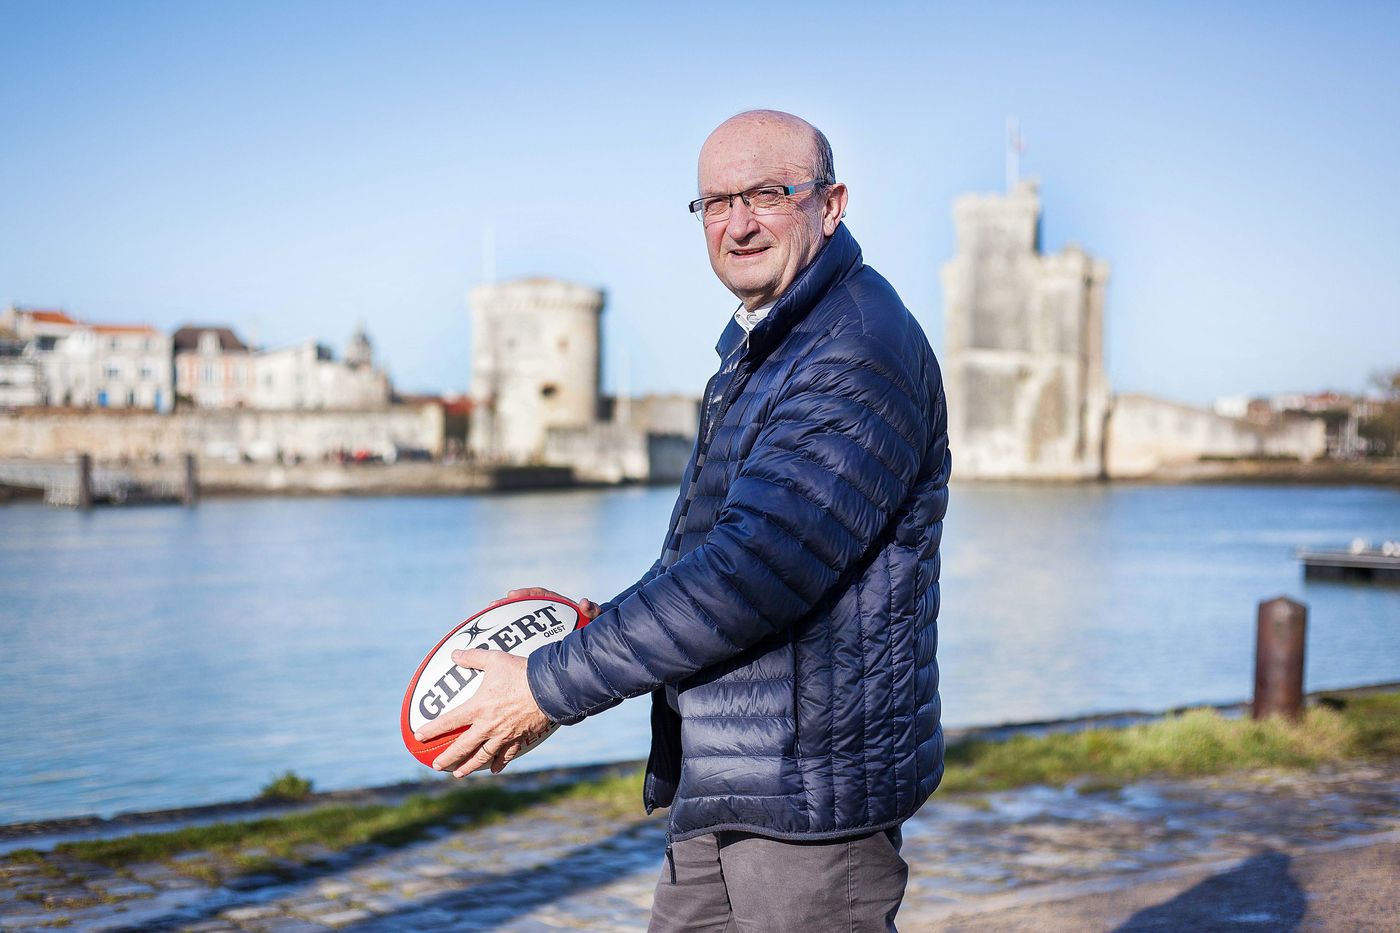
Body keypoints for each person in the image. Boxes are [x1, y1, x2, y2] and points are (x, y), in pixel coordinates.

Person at [414, 109, 950, 931]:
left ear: (831, 203)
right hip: (732, 772)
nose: (738, 224)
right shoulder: (769, 346)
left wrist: (547, 687)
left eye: (767, 194)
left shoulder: (854, 348)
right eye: (716, 203)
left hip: (809, 796)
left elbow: (752, 572)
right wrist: (594, 627)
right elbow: (702, 555)